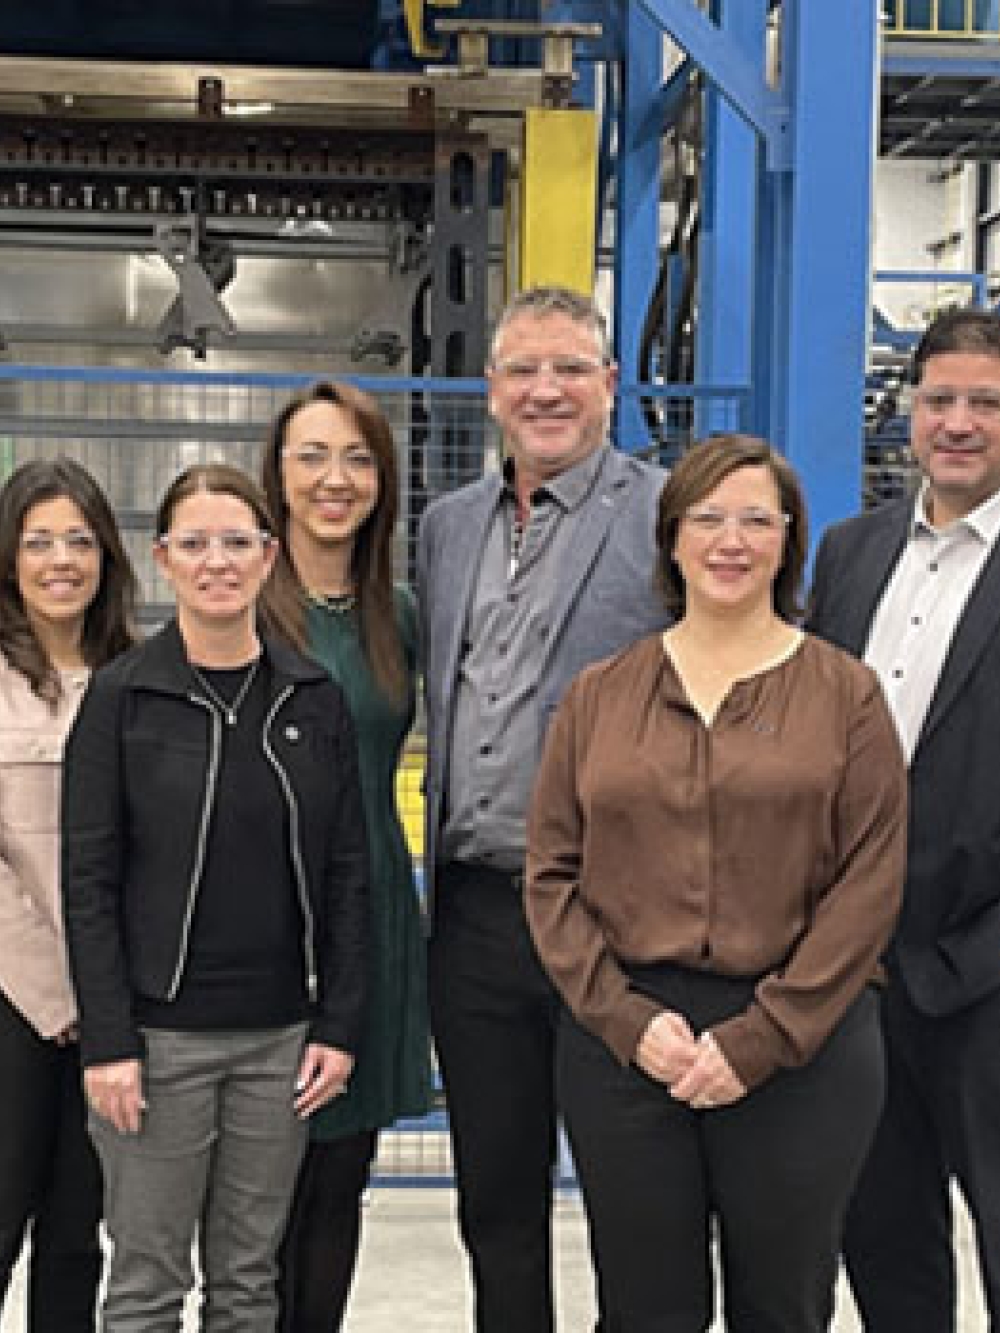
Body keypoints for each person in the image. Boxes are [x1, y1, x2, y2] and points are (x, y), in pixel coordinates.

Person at [525, 434, 908, 1333]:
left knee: (783, 1306)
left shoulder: (845, 694)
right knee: (644, 1309)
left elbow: (871, 879)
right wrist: (626, 1021)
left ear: (788, 540)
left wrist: (763, 1038)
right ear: (671, 537)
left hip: (803, 1045)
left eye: (755, 519)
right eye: (707, 517)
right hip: (630, 1046)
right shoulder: (599, 695)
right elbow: (550, 876)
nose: (730, 540)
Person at [61, 462, 369, 1333]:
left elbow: (349, 872)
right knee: (147, 1281)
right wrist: (110, 1040)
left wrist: (339, 1026)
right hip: (158, 1047)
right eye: (194, 543)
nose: (217, 561)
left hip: (282, 1043)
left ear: (270, 557)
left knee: (247, 1280)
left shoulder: (312, 697)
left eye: (237, 542)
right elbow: (89, 881)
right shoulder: (122, 698)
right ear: (163, 559)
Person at [416, 284, 669, 1332]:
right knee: (497, 1198)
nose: (546, 389)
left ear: (611, 385)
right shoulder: (446, 526)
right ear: (492, 390)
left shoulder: (664, 513)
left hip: (612, 916)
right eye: (523, 369)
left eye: (570, 367)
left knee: (633, 1204)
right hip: (474, 910)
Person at [810, 306, 1000, 1330]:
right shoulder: (849, 553)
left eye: (984, 402)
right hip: (858, 982)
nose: (958, 422)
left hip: (987, 980)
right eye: (940, 400)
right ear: (908, 413)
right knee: (884, 1253)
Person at [260, 380, 432, 1332]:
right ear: (277, 475)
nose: (335, 477)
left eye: (357, 457)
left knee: (340, 1181)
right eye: (312, 455)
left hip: (372, 918)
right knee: (262, 1190)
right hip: (269, 925)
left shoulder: (397, 613)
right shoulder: (241, 598)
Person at [0, 458, 137, 1331]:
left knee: (78, 1238)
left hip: (111, 1015)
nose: (61, 560)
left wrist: (109, 998)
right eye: (37, 540)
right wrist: (57, 992)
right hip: (12, 1003)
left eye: (80, 540)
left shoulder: (139, 678)